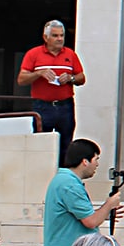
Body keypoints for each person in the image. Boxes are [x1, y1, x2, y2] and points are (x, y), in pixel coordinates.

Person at [43, 140, 121, 246]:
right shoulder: (69, 184)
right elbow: (90, 221)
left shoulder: (63, 181)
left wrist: (105, 213)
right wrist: (109, 204)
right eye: (96, 159)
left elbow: (82, 218)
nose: (97, 164)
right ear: (85, 161)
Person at [19, 19, 85, 162]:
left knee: (66, 145)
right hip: (42, 106)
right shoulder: (33, 54)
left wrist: (70, 78)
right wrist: (39, 73)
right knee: (41, 144)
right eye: (55, 36)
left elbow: (81, 78)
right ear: (45, 37)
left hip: (65, 105)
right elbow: (21, 79)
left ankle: (62, 176)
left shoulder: (70, 54)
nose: (59, 39)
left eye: (62, 35)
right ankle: (41, 174)